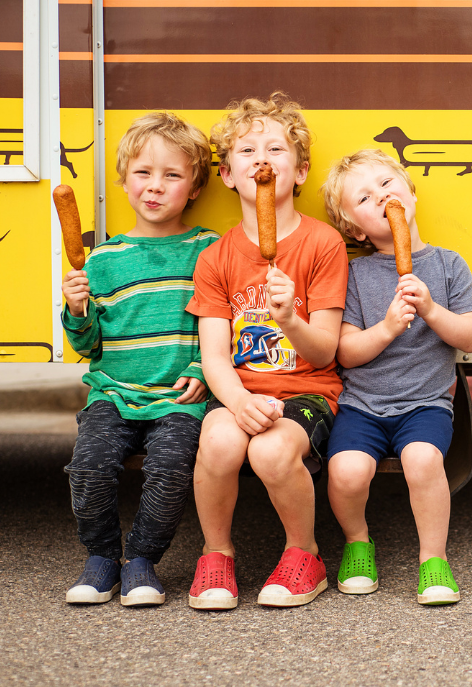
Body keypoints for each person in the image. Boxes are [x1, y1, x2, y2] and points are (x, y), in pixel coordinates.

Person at [186, 92, 348, 610]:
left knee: (271, 451)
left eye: (276, 149)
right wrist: (236, 403)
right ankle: (216, 555)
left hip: (308, 391)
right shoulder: (215, 258)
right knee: (218, 445)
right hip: (241, 390)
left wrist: (289, 320)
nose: (262, 159)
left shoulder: (323, 245)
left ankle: (306, 553)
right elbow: (214, 355)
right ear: (229, 175)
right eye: (247, 150)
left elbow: (324, 351)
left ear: (299, 172)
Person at [62, 112, 217, 606]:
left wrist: (202, 371)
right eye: (143, 173)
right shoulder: (102, 259)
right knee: (89, 464)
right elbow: (87, 347)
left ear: (193, 188)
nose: (155, 187)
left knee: (172, 469)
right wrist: (77, 307)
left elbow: (226, 322)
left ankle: (143, 560)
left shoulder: (208, 250)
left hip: (180, 397)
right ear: (124, 180)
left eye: (172, 175)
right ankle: (102, 557)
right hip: (114, 391)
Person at [321, 149, 472, 605]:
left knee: (423, 462)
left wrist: (431, 309)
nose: (382, 197)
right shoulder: (354, 273)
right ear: (355, 228)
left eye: (388, 185)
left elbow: (470, 336)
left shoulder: (449, 265)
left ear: (410, 193)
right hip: (363, 406)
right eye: (365, 197)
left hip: (426, 404)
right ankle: (357, 543)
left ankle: (434, 559)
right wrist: (389, 326)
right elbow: (346, 353)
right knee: (347, 472)